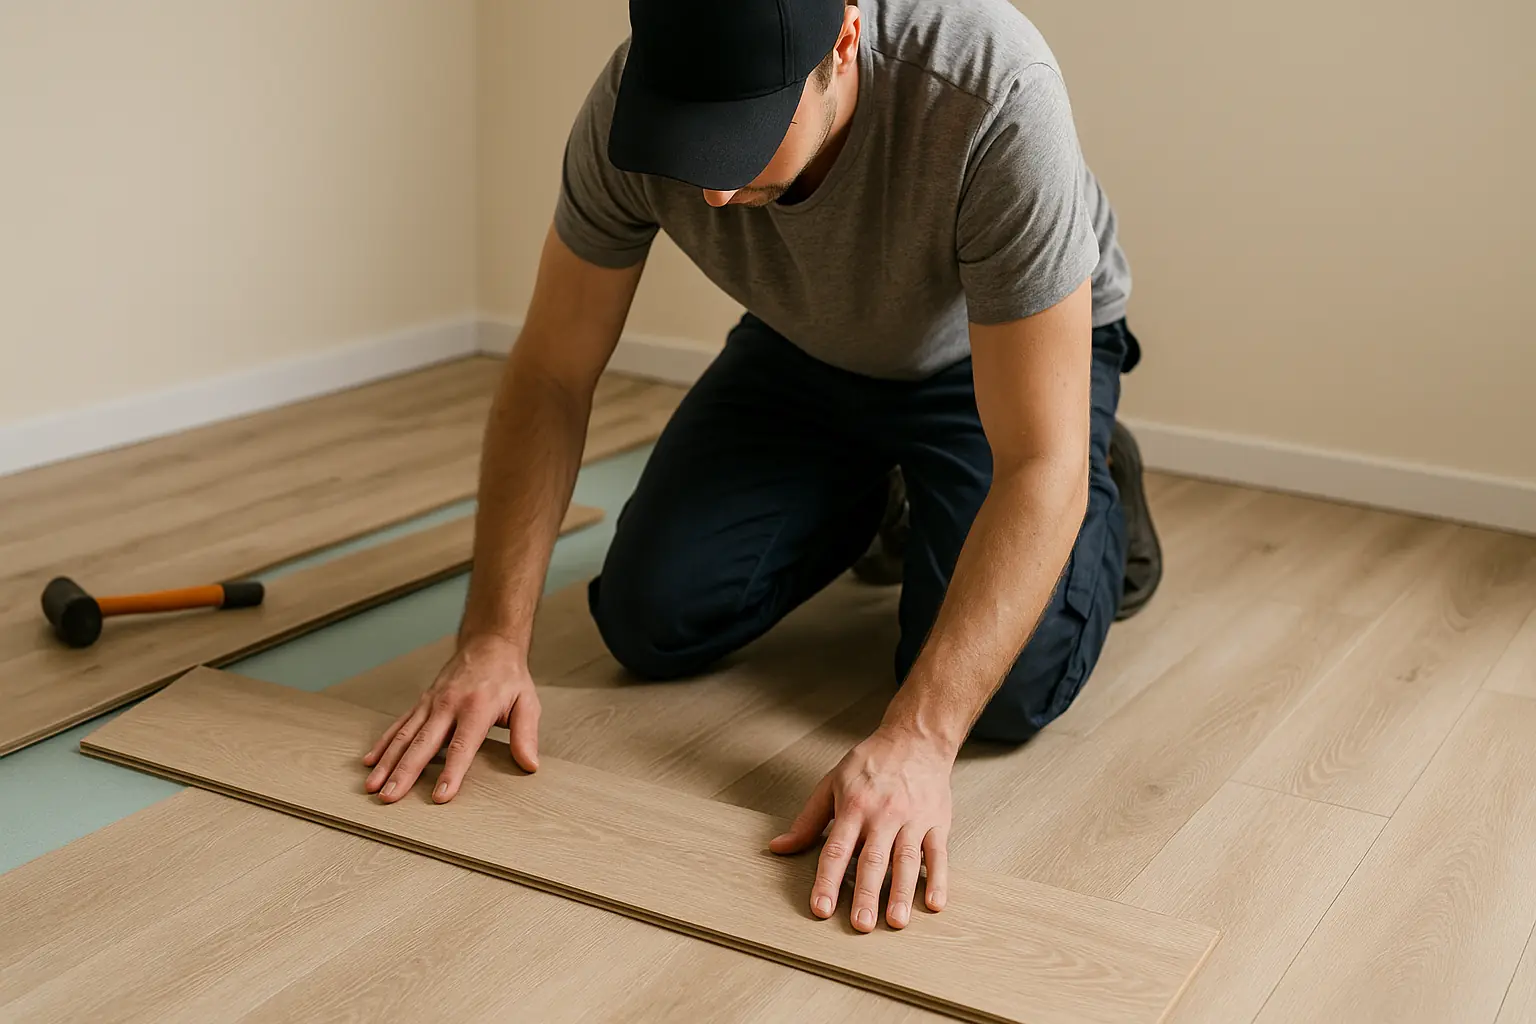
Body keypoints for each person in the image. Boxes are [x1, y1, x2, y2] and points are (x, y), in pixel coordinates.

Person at [363, 0, 1163, 935]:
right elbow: (549, 373)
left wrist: (916, 739)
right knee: (647, 619)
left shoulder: (993, 91)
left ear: (844, 46)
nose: (708, 189)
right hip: (805, 347)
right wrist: (493, 638)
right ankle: (889, 494)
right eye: (688, 135)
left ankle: (1106, 485)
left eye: (740, 133)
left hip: (993, 367)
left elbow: (1037, 459)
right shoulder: (625, 103)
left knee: (1007, 692)